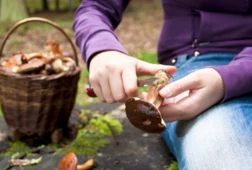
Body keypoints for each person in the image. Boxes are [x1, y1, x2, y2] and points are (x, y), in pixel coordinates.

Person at [73, 0, 252, 169]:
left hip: (226, 73)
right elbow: (95, 7)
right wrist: (102, 49)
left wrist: (230, 78)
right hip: (205, 60)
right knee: (221, 147)